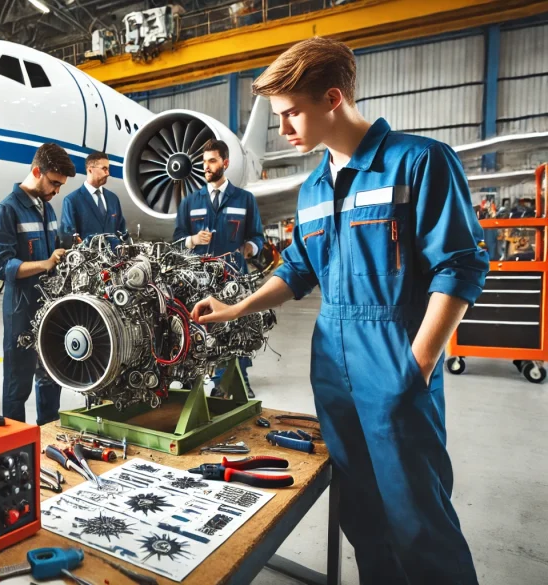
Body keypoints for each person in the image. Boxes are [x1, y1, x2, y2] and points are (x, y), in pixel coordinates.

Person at [192, 38, 487, 585]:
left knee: (417, 519)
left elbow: (461, 266)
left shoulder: (418, 162)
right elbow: (298, 269)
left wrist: (417, 366)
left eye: (290, 113)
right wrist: (238, 307)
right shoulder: (312, 189)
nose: (283, 130)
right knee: (362, 518)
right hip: (332, 369)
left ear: (332, 99)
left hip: (394, 361)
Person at [0, 143, 75, 425]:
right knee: (17, 387)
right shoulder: (8, 209)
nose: (56, 191)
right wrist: (45, 263)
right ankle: (12, 450)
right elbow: (2, 266)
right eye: (54, 183)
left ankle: (48, 436)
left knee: (51, 380)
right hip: (22, 311)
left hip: (50, 311)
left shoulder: (47, 209)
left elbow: (52, 250)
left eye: (60, 186)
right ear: (37, 171)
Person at [173, 138, 264, 397]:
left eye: (212, 161)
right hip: (197, 283)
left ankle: (232, 386)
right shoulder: (190, 202)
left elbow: (258, 237)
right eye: (204, 162)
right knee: (195, 337)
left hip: (233, 281)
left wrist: (248, 248)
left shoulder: (245, 200)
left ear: (225, 163)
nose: (207, 167)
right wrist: (192, 240)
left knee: (236, 336)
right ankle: (192, 389)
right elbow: (177, 241)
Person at [59, 152, 127, 246]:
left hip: (114, 258)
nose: (108, 173)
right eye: (104, 169)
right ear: (90, 170)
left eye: (108, 169)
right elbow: (68, 238)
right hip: (89, 259)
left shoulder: (113, 199)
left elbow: (122, 231)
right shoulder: (72, 201)